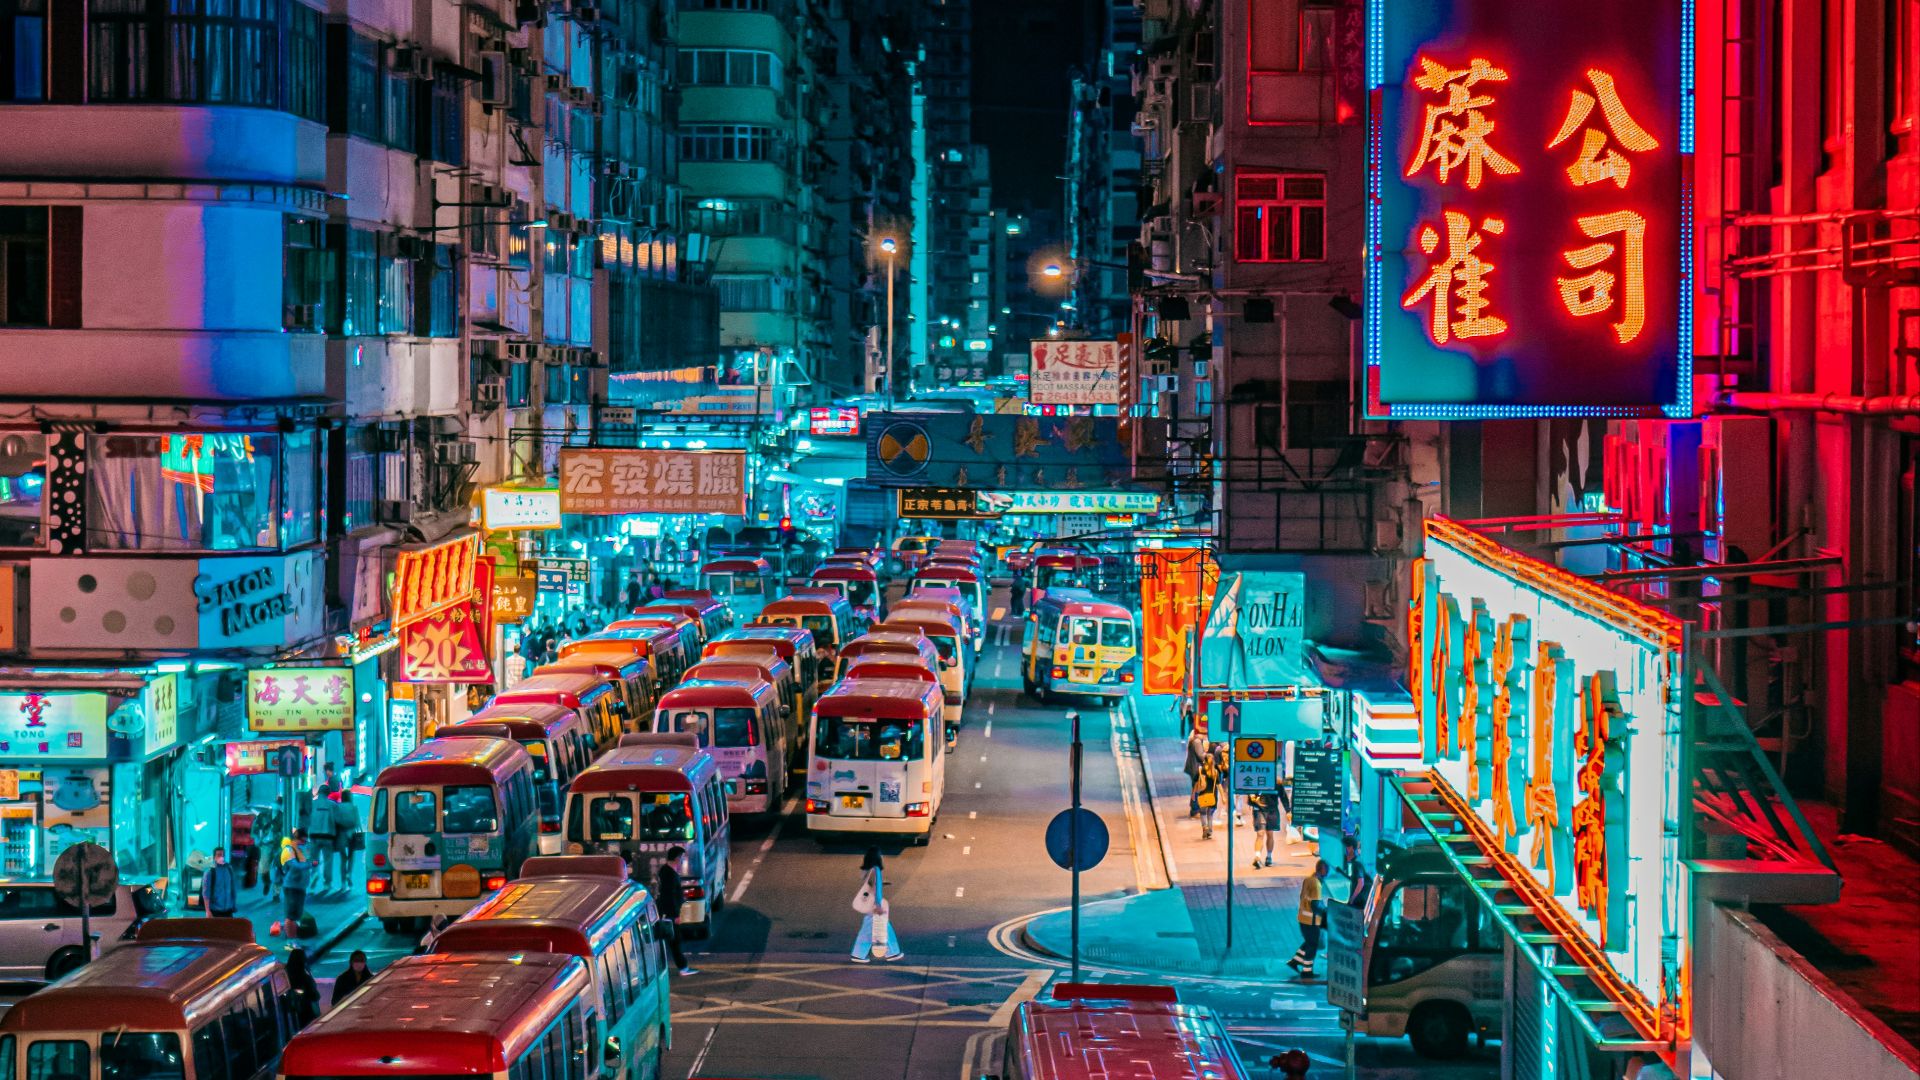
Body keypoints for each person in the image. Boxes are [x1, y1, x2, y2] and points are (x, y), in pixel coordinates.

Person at [850, 847, 902, 963]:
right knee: (883, 928)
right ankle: (892, 953)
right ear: (878, 858)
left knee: (871, 930)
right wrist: (878, 905)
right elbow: (875, 889)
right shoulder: (876, 870)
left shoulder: (866, 871)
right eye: (881, 855)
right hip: (875, 904)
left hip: (869, 904)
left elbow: (868, 885)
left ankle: (859, 954)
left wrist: (882, 883)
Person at [655, 847, 697, 976]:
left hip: (667, 913)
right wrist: (675, 916)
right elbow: (670, 896)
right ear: (677, 859)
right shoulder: (670, 875)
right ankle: (683, 967)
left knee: (670, 941)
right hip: (670, 915)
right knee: (675, 940)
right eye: (682, 858)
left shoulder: (666, 871)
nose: (683, 861)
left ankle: (679, 966)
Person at [1289, 860, 1330, 977]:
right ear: (1322, 871)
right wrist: (1326, 912)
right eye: (1326, 872)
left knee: (1309, 942)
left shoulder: (1308, 880)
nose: (1326, 876)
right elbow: (1316, 905)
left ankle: (1295, 961)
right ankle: (1307, 971)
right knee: (1313, 944)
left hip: (1303, 918)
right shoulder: (1316, 884)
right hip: (1311, 920)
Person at [277, 830, 314, 937]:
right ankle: (290, 940)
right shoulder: (288, 850)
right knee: (291, 914)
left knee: (297, 914)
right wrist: (310, 864)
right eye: (302, 841)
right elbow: (296, 866)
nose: (304, 843)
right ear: (296, 839)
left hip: (301, 886)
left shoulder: (302, 849)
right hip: (291, 886)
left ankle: (291, 935)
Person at [307, 786, 340, 891]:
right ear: (328, 793)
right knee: (327, 860)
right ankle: (327, 883)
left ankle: (314, 872)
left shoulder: (312, 804)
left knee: (314, 859)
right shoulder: (332, 805)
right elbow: (338, 820)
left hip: (314, 836)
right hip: (327, 837)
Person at [332, 789, 364, 890]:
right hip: (352, 833)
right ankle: (349, 874)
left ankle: (343, 883)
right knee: (351, 856)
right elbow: (358, 823)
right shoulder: (354, 807)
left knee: (343, 858)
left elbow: (335, 820)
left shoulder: (338, 807)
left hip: (341, 834)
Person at [283, 946, 321, 1028]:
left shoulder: (285, 974)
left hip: (290, 1011)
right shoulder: (304, 977)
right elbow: (314, 995)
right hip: (306, 1011)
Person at [1246, 790, 1281, 869]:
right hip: (1258, 809)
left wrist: (1288, 810)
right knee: (1260, 833)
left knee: (1270, 833)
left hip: (1272, 810)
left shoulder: (1276, 780)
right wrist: (1252, 798)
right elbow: (1249, 789)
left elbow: (1282, 794)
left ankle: (1269, 857)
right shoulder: (1256, 779)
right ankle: (1257, 857)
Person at [1193, 747, 1221, 839]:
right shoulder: (1215, 772)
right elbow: (1219, 785)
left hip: (1202, 795)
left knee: (1203, 813)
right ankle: (1209, 831)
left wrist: (1193, 794)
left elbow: (1196, 783)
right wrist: (1223, 796)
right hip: (1212, 796)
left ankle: (1204, 827)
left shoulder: (1200, 770)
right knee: (1210, 814)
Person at [201, 847, 237, 918]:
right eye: (219, 855)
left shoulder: (229, 869)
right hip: (215, 910)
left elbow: (232, 887)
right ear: (214, 857)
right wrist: (207, 911)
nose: (221, 857)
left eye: (223, 855)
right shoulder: (210, 872)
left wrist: (234, 904)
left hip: (228, 909)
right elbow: (206, 893)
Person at [1182, 726, 1210, 819]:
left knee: (1196, 788)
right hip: (1196, 769)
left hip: (1194, 768)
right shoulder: (1197, 742)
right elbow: (1201, 756)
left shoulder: (1194, 739)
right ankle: (1195, 810)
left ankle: (1195, 809)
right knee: (1198, 789)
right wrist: (1208, 752)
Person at [1340, 835, 1374, 908]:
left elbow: (1360, 883)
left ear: (1351, 848)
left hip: (1359, 902)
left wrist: (1352, 899)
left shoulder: (1357, 864)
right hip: (1358, 901)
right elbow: (1354, 879)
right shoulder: (1354, 863)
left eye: (1346, 847)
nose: (1344, 851)